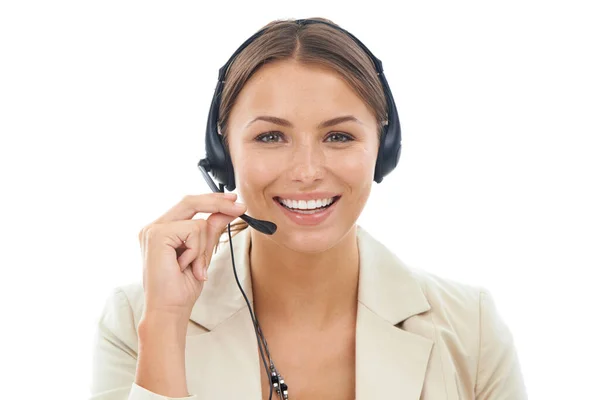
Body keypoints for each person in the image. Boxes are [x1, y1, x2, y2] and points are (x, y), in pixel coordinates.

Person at [90, 17, 527, 400]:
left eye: (338, 136)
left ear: (384, 149)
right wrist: (166, 324)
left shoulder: (472, 329)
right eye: (270, 137)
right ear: (223, 155)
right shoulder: (138, 319)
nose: (306, 171)